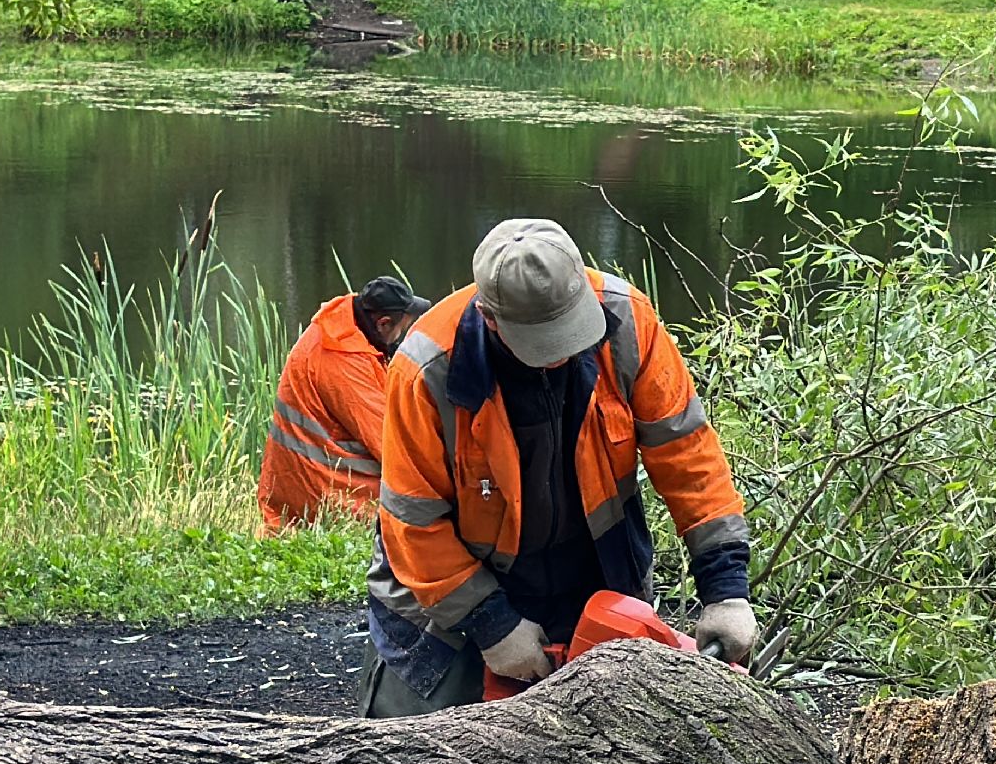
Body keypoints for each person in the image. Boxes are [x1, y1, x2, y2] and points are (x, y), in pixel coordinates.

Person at [360, 218, 754, 717]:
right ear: (490, 317)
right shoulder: (427, 369)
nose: (559, 355)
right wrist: (490, 622)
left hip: (592, 572)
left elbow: (687, 454)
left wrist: (725, 588)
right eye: (540, 343)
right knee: (417, 759)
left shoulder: (629, 322)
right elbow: (414, 522)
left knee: (613, 746)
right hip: (448, 589)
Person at [257, 275, 432, 533]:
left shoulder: (340, 327)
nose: (400, 338)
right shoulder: (344, 364)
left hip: (294, 485)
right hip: (319, 493)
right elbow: (393, 444)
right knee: (427, 503)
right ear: (383, 323)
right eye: (400, 330)